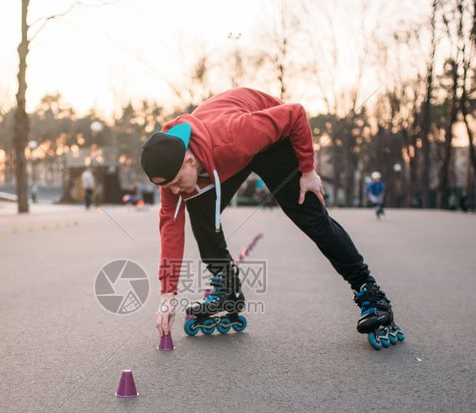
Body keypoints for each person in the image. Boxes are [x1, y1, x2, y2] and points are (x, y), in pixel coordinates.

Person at [140, 87, 403, 349]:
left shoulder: (235, 135)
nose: (173, 191)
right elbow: (170, 228)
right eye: (168, 187)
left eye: (175, 183)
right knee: (200, 212)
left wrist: (308, 171)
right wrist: (167, 294)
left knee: (310, 217)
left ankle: (371, 294)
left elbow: (295, 113)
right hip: (220, 154)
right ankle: (227, 290)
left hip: (272, 139)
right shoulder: (169, 168)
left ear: (189, 161)